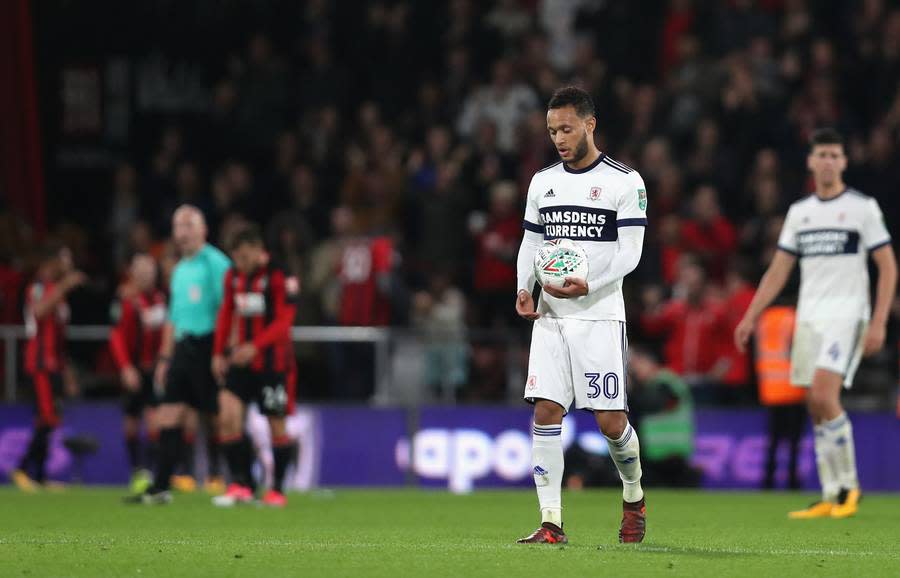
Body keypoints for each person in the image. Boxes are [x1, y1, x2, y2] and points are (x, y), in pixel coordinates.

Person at [735, 128, 897, 519]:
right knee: (815, 404)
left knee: (825, 395)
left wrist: (878, 321)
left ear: (843, 161)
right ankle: (829, 492)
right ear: (810, 161)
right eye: (821, 154)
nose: (827, 161)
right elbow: (778, 270)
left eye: (834, 155)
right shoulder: (800, 213)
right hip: (809, 319)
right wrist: (751, 315)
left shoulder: (862, 208)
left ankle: (848, 489)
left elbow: (888, 265)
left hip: (847, 315)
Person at [515, 86, 648, 544]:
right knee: (547, 410)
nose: (559, 138)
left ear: (590, 124)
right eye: (552, 130)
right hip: (552, 315)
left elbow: (631, 253)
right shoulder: (542, 182)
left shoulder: (625, 181)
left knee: (611, 424)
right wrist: (524, 287)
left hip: (599, 315)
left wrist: (589, 282)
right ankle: (551, 522)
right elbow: (532, 243)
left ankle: (633, 494)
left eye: (567, 128)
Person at [127, 205, 231, 504]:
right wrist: (164, 358)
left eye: (189, 225)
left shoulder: (216, 263)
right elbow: (173, 318)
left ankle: (242, 481)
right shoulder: (179, 269)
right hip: (182, 350)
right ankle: (161, 487)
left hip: (209, 346)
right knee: (167, 414)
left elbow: (227, 310)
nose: (182, 232)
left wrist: (222, 351)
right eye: (178, 226)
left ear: (203, 230)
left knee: (223, 417)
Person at [211, 226, 299, 508]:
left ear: (259, 251)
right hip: (241, 361)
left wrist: (255, 346)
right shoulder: (233, 276)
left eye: (246, 257)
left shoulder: (281, 275)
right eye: (236, 258)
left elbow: (285, 321)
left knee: (277, 425)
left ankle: (277, 490)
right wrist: (217, 352)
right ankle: (242, 484)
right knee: (227, 416)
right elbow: (227, 312)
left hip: (273, 364)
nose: (241, 264)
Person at [13, 244, 86, 491]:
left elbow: (60, 338)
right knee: (47, 416)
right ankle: (23, 469)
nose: (68, 265)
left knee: (50, 418)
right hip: (39, 363)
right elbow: (40, 311)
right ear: (51, 263)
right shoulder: (37, 288)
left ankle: (40, 476)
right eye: (64, 260)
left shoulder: (59, 294)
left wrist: (66, 372)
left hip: (55, 364)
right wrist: (65, 284)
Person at [109, 253, 167, 494]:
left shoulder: (161, 299)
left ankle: (154, 473)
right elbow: (116, 336)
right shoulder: (123, 299)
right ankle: (137, 472)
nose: (145, 274)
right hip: (133, 369)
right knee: (131, 424)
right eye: (140, 270)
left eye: (149, 270)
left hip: (154, 370)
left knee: (155, 422)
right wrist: (125, 367)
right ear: (132, 272)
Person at [755, 303, 806, 490]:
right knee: (794, 440)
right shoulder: (794, 319)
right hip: (794, 388)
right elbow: (801, 352)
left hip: (770, 388)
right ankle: (792, 480)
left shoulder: (764, 319)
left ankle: (768, 480)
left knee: (773, 439)